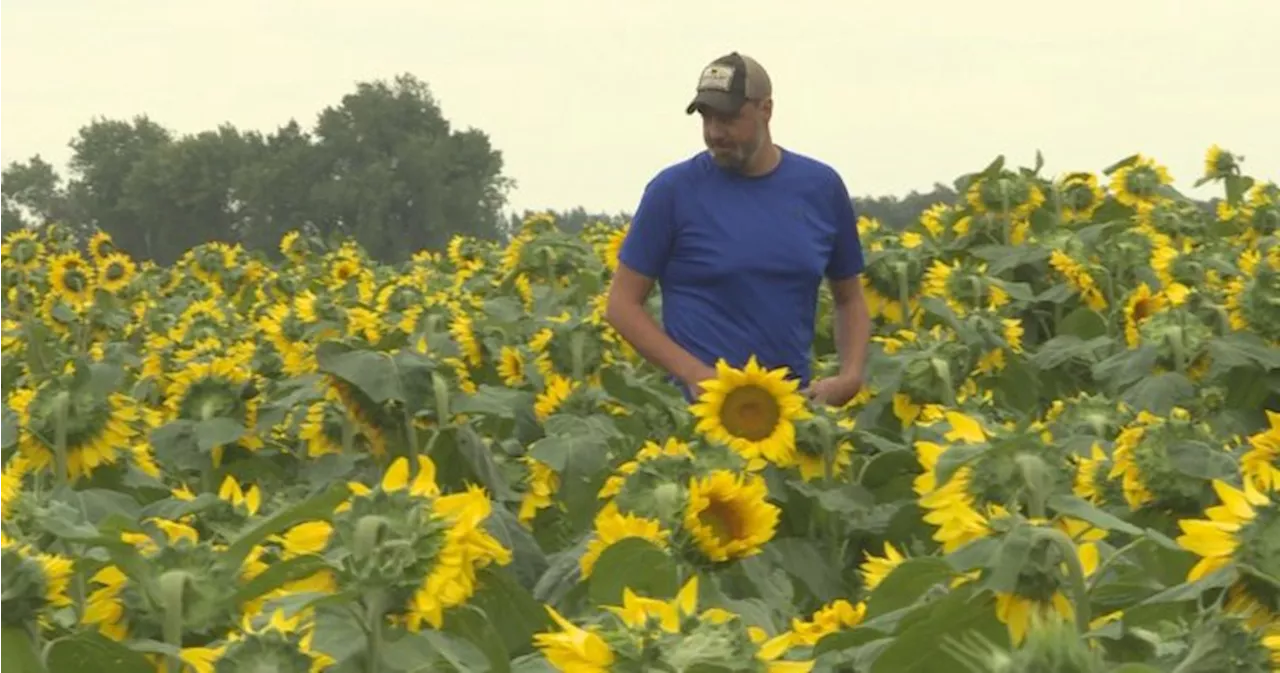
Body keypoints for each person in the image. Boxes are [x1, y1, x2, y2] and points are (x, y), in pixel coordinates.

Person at [604, 51, 872, 408]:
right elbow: (622, 304)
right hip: (698, 417)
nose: (714, 133)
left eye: (728, 118)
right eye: (706, 118)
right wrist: (694, 374)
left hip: (791, 412)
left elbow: (849, 297)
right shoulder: (672, 192)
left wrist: (850, 375)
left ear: (766, 110)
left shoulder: (819, 188)